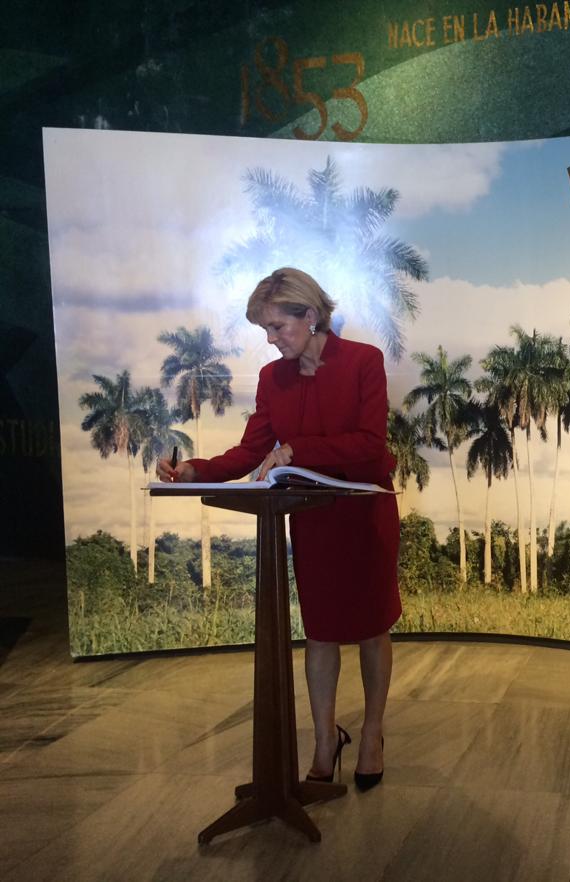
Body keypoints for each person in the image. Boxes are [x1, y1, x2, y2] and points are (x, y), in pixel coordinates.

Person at [157, 267, 399, 791]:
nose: (269, 339)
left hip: (364, 517)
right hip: (312, 521)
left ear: (309, 317)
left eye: (275, 327)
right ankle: (322, 741)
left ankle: (374, 734)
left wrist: (298, 450)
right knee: (320, 633)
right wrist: (196, 469)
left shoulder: (364, 362)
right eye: (264, 329)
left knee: (372, 629)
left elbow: (370, 446)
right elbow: (251, 450)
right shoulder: (273, 379)